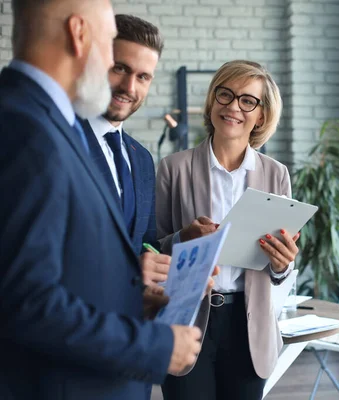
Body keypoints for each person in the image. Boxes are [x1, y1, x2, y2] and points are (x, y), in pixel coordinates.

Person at [0, 1, 201, 399]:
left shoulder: (44, 124)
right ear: (79, 33)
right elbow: (26, 302)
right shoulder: (29, 130)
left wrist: (142, 295)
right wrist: (156, 347)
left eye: (143, 75)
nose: (127, 84)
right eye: (111, 48)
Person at [156, 60, 298, 400]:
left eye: (248, 100)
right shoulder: (173, 169)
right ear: (212, 101)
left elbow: (282, 267)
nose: (234, 106)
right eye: (225, 95)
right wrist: (181, 239)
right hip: (186, 321)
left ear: (261, 115)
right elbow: (150, 249)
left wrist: (283, 264)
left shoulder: (277, 175)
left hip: (250, 327)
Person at [81, 14, 169, 286]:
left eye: (143, 77)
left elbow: (145, 244)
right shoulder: (61, 140)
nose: (129, 87)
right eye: (120, 68)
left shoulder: (141, 159)